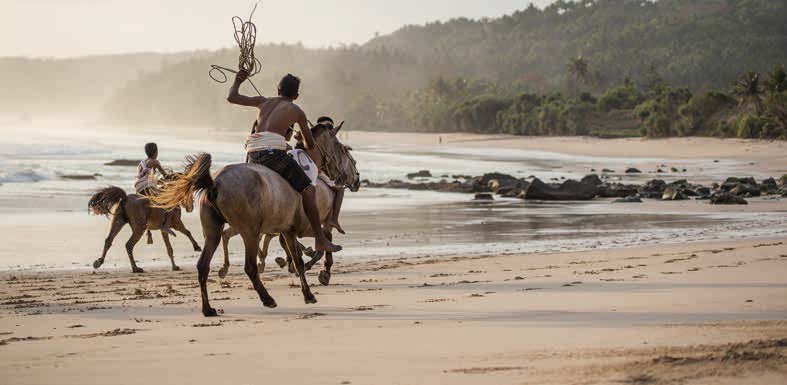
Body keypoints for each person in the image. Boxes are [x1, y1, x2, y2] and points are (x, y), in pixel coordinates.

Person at [228, 70, 341, 253]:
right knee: (308, 188)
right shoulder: (297, 111)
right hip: (272, 155)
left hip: (252, 154)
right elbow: (310, 145)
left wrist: (238, 80)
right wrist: (300, 136)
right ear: (296, 96)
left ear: (277, 89)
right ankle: (320, 239)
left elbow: (232, 97)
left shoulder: (263, 101)